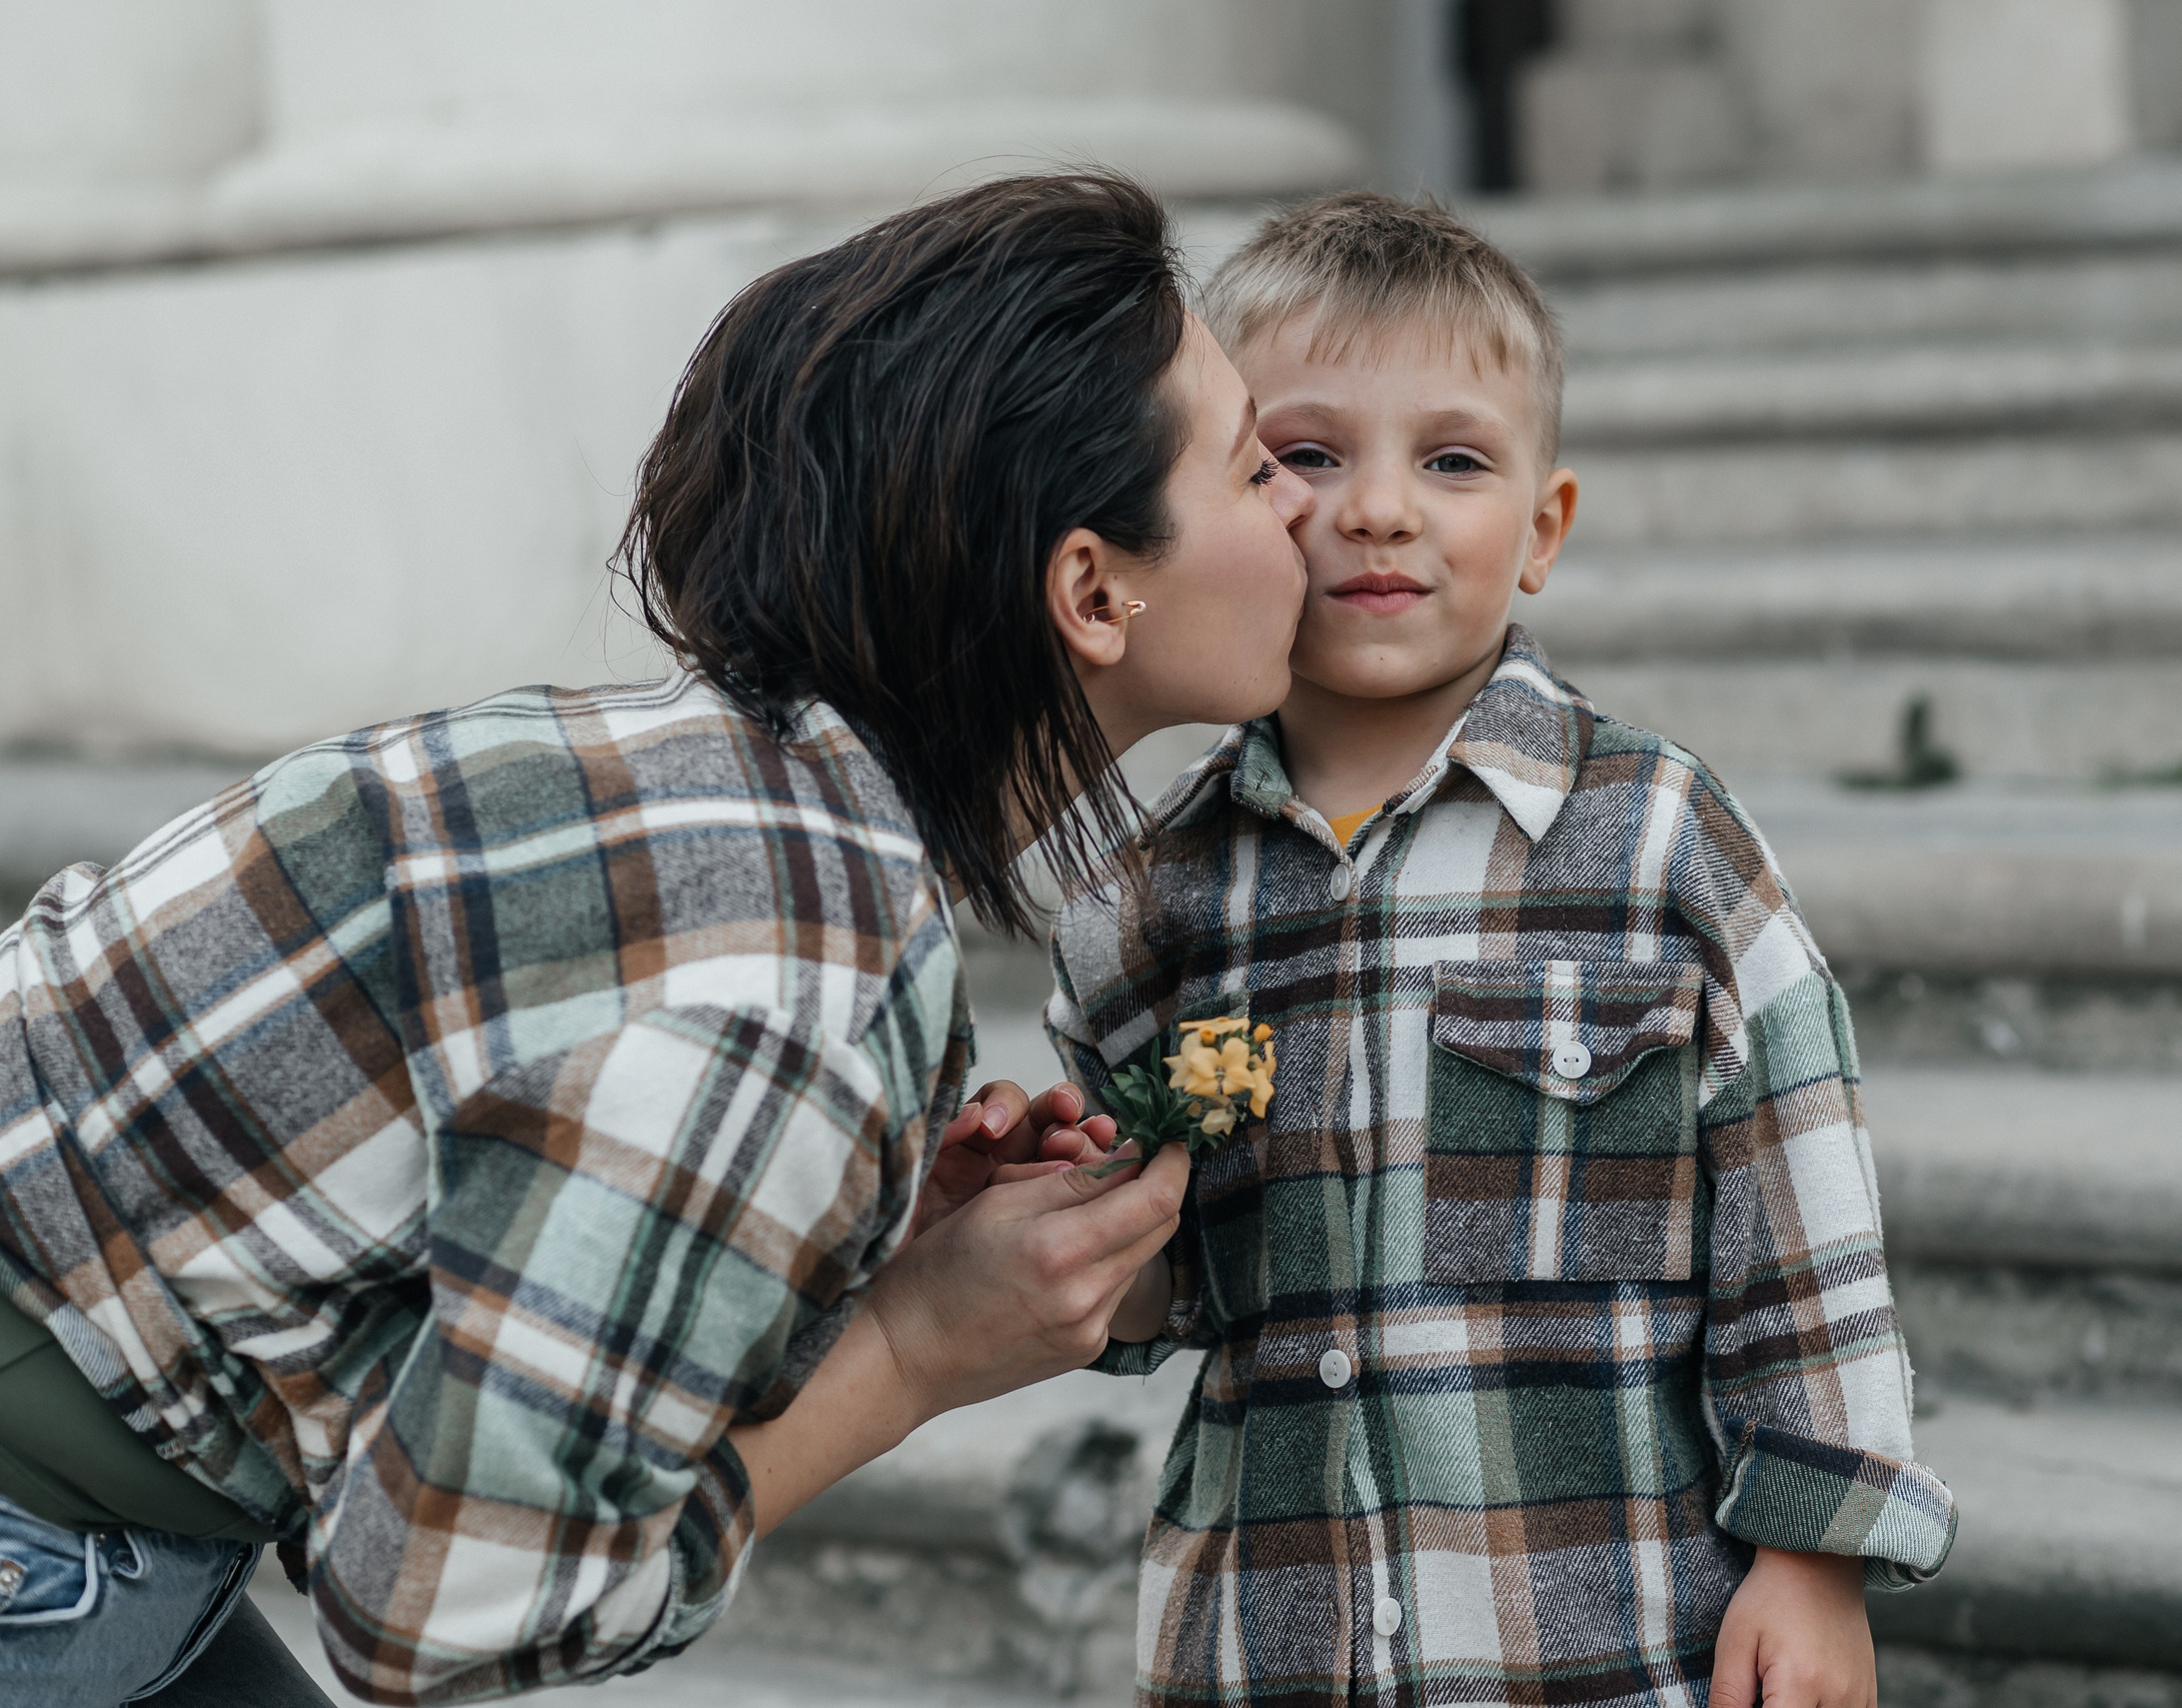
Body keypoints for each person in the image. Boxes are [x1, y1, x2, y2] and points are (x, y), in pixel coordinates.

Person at [0, 170, 1313, 1704]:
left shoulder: (699, 782)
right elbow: (440, 1610)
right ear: (1093, 590)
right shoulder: (783, 977)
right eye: (1250, 467)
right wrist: (910, 1347)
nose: (1309, 497)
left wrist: (835, 1236)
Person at [1040, 193, 1957, 1707]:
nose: (1379, 508)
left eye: (1451, 460)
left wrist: (1815, 1551)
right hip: (1267, 1638)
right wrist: (1072, 1210)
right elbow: (1171, 1288)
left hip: (1596, 1636)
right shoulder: (1149, 900)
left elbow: (1800, 1203)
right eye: (1303, 456)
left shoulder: (1656, 837)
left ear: (1542, 528)